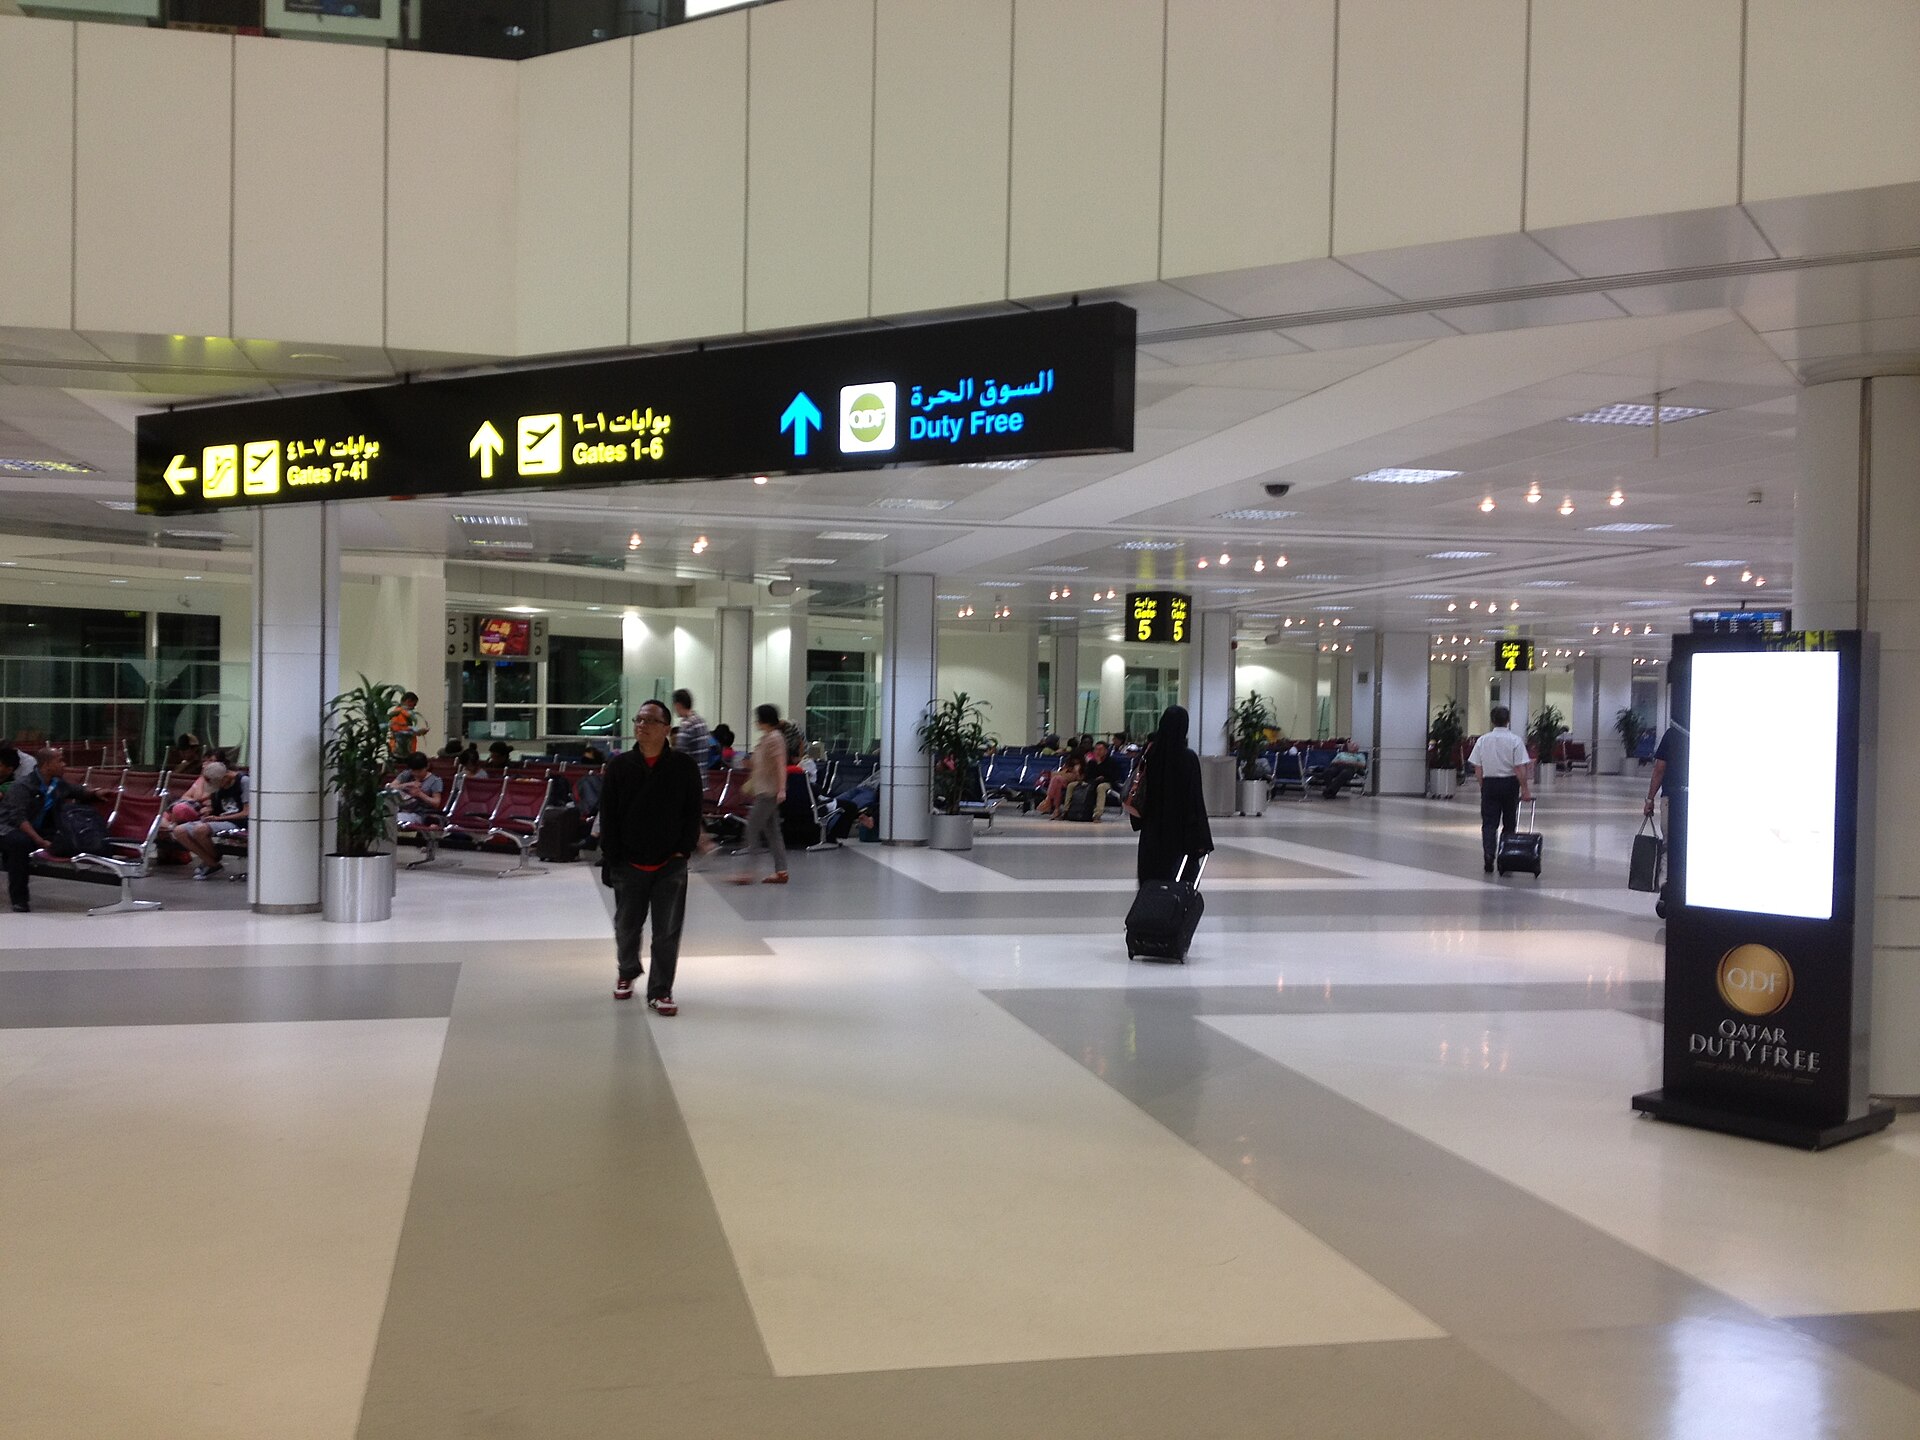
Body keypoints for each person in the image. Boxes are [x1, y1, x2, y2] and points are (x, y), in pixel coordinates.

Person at [598, 697, 704, 1014]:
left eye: (649, 721)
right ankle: (627, 971)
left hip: (669, 864)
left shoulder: (683, 767)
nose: (641, 726)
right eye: (638, 720)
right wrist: (612, 856)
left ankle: (660, 990)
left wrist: (682, 851)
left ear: (666, 729)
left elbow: (692, 812)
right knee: (626, 927)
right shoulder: (619, 766)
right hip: (627, 862)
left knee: (667, 932)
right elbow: (608, 813)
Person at [1128, 706, 1214, 884]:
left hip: (1152, 829)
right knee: (1179, 880)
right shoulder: (1188, 758)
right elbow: (1194, 799)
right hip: (1180, 831)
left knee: (1152, 878)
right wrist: (1201, 838)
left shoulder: (1150, 754)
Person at [1468, 705, 1532, 874]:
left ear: (1492, 720)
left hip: (1489, 784)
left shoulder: (1483, 740)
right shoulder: (1515, 740)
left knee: (1489, 823)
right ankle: (1506, 857)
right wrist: (1525, 789)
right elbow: (1519, 768)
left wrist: (1483, 785)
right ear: (1508, 720)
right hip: (1510, 784)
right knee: (1509, 822)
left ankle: (1489, 855)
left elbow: (1478, 768)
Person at [730, 703, 790, 885]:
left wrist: (782, 788)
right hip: (764, 790)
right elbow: (762, 764)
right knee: (773, 832)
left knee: (751, 828)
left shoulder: (775, 738)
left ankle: (747, 871)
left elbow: (781, 765)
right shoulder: (767, 738)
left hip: (768, 792)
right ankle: (781, 871)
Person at [170, 759, 249, 879]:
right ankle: (212, 863)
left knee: (200, 830)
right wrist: (208, 812)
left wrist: (219, 818)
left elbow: (247, 812)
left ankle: (212, 859)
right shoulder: (218, 789)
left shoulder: (243, 781)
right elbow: (216, 808)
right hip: (219, 819)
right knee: (179, 831)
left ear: (226, 777)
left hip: (237, 822)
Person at [1644, 721, 1686, 914]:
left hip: (1672, 798)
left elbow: (1660, 769)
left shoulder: (1671, 735)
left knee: (1669, 846)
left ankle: (1666, 892)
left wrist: (1650, 799)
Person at [0, 744, 40, 911]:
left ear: (9, 770)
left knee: (19, 843)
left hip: (7, 829)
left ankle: (19, 899)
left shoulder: (13, 786)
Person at [392, 752, 445, 835]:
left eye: (419, 771)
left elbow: (436, 802)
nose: (416, 774)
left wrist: (420, 794)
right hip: (402, 809)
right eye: (413, 771)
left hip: (420, 814)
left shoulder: (435, 780)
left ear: (427, 766)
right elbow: (391, 786)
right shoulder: (407, 774)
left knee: (394, 820)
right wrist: (407, 784)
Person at [671, 689, 712, 767]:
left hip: (690, 775)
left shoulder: (687, 724)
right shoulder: (702, 722)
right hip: (702, 773)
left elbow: (679, 754)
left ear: (678, 705)